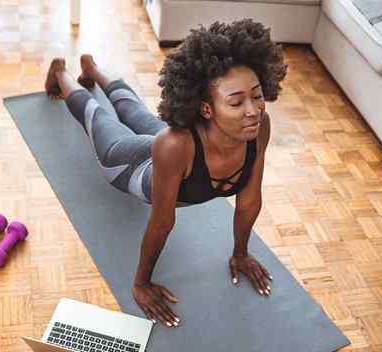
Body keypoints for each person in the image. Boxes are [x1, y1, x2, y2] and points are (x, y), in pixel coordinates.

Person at [45, 19, 287, 328]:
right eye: (236, 102)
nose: (253, 110)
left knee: (135, 112)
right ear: (206, 109)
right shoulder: (175, 144)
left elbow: (249, 200)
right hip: (133, 164)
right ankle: (61, 75)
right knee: (98, 118)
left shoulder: (257, 128)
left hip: (183, 150)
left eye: (256, 96)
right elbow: (162, 222)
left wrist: (241, 254)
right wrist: (142, 283)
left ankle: (92, 69)